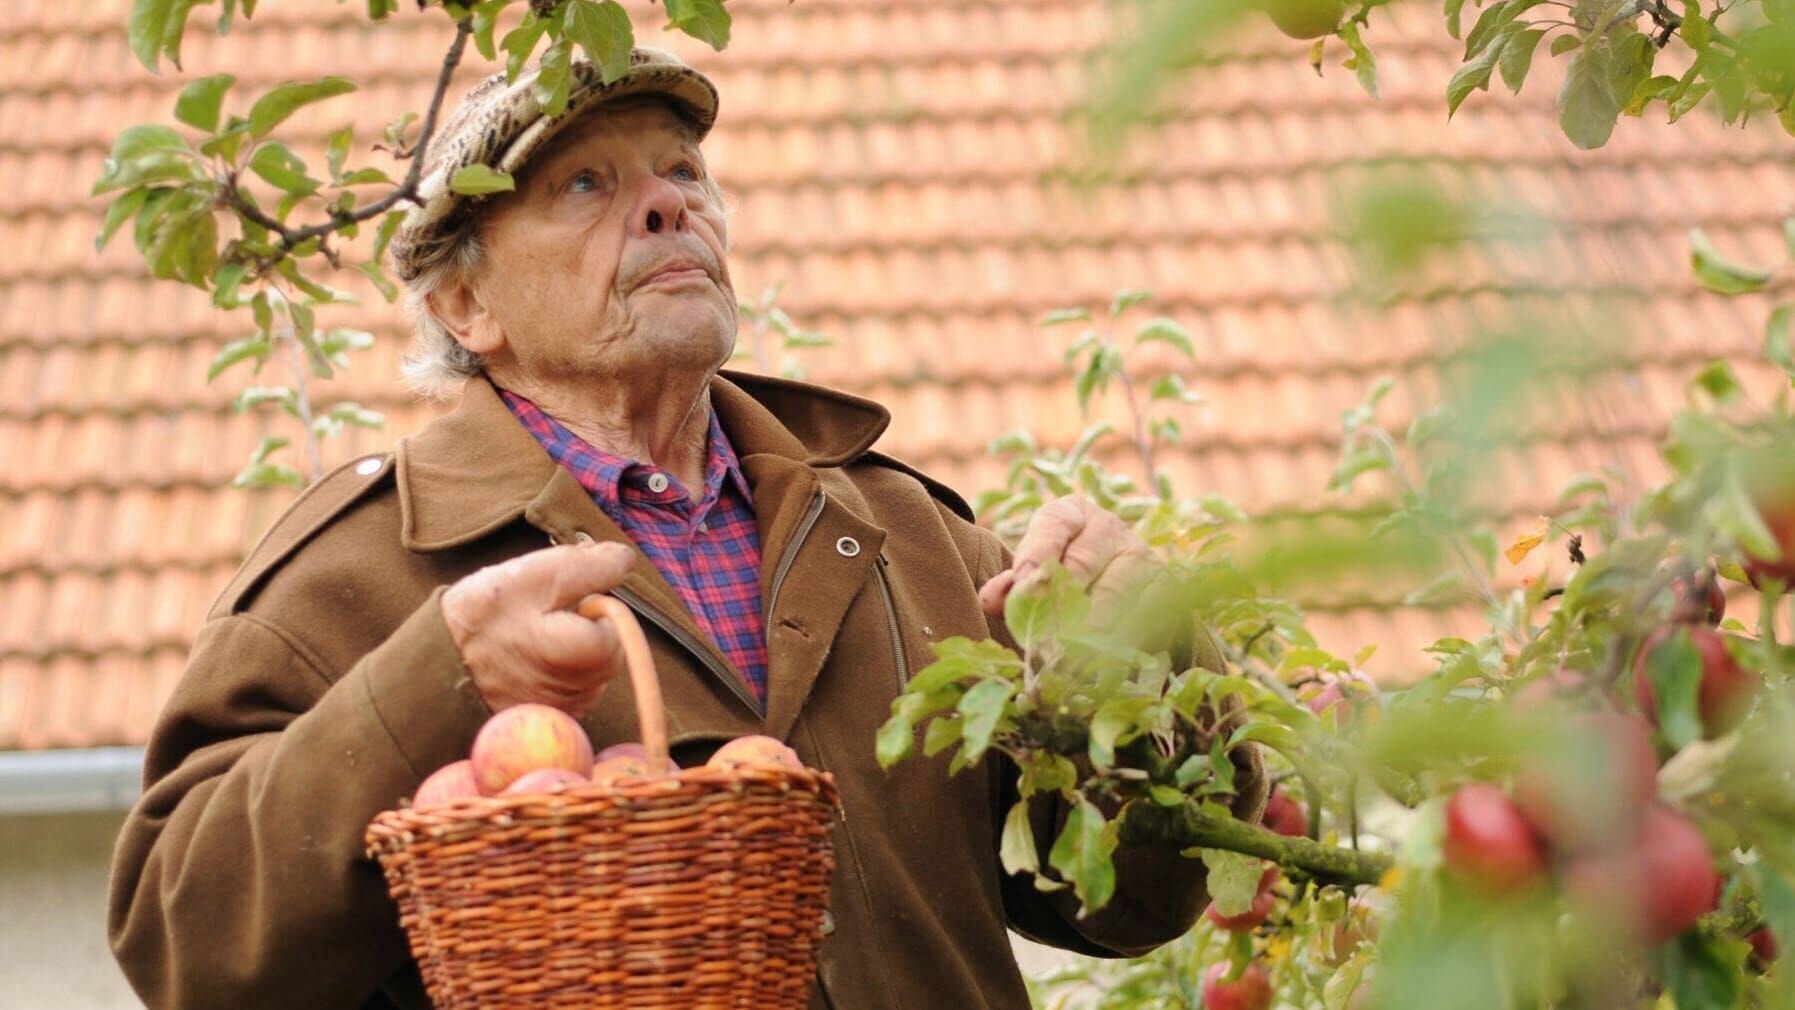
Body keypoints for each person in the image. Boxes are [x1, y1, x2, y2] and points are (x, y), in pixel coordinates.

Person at [107, 47, 1265, 1010]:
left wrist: (1153, 665)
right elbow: (178, 937)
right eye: (582, 187)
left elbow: (1130, 901)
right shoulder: (357, 570)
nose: (667, 203)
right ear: (467, 304)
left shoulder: (902, 530)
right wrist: (434, 680)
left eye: (682, 171)